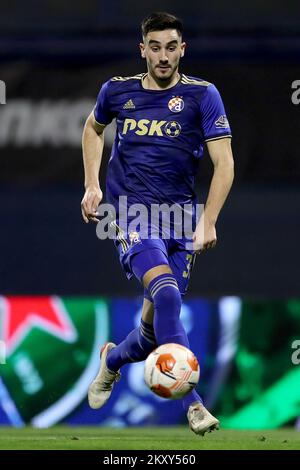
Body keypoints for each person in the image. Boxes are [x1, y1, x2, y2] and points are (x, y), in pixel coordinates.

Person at [81, 11, 234, 435]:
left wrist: (209, 219)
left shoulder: (204, 96)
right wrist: (92, 186)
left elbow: (225, 165)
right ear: (142, 50)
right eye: (155, 47)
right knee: (167, 297)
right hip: (131, 215)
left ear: (182, 49)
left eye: (171, 47)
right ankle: (195, 405)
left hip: (181, 220)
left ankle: (111, 360)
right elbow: (92, 130)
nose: (163, 56)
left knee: (151, 333)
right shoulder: (117, 91)